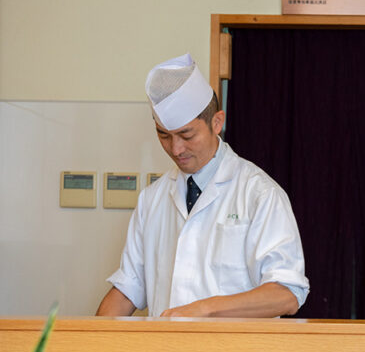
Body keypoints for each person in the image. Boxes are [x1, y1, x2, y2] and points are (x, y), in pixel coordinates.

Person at [95, 53, 308, 317]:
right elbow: (129, 288)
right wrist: (90, 344)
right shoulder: (153, 199)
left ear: (217, 122)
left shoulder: (259, 194)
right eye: (164, 136)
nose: (176, 148)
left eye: (187, 135)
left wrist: (204, 310)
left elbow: (286, 294)